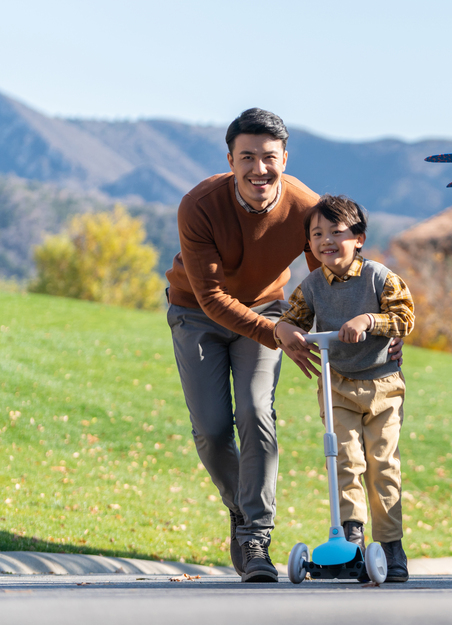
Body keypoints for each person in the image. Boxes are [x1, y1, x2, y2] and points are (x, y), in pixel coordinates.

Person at [166, 108, 401, 583]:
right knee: (212, 430)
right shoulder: (199, 205)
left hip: (271, 310)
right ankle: (241, 507)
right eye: (246, 157)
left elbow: (339, 268)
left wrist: (382, 327)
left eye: (268, 157)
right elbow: (211, 296)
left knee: (256, 412)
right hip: (197, 314)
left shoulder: (305, 208)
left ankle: (255, 535)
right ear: (230, 159)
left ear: (284, 158)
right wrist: (276, 333)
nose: (259, 169)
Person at [275, 194, 415, 582]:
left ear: (359, 238)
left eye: (336, 232)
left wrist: (369, 320)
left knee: (383, 466)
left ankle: (391, 544)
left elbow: (404, 315)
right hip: (336, 384)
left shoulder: (379, 277)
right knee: (344, 461)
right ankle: (351, 534)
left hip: (382, 384)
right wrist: (284, 330)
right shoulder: (312, 285)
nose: (326, 241)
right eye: (317, 234)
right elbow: (291, 317)